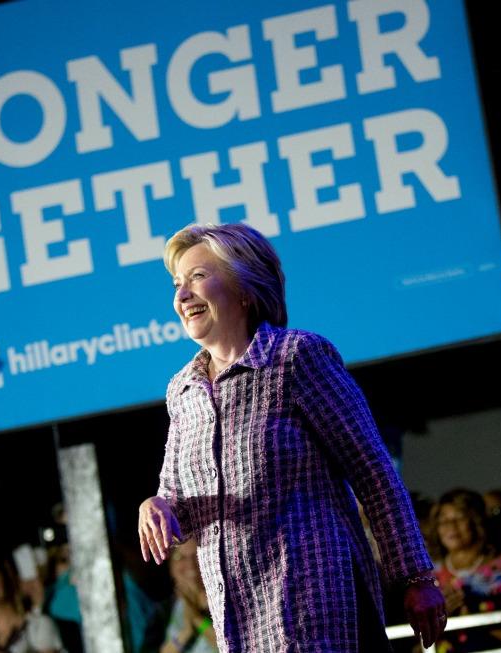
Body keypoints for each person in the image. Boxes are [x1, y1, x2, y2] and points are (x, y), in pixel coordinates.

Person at [137, 223, 444, 652]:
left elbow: (373, 473)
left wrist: (415, 577)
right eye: (177, 284)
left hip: (317, 608)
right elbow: (179, 504)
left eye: (198, 277)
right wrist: (157, 507)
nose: (182, 295)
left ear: (245, 289)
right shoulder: (183, 390)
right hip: (241, 623)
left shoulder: (295, 358)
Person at [431, 489, 501, 651]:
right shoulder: (429, 576)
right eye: (443, 520)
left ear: (476, 521)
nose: (451, 526)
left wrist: (475, 621)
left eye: (460, 518)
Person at [161, 539, 218, 653]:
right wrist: (186, 632)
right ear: (171, 565)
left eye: (196, 555)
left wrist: (199, 621)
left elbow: (230, 645)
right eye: (180, 557)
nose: (190, 564)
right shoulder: (166, 609)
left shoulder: (222, 598)